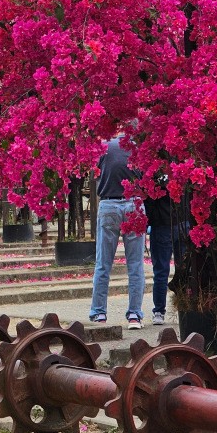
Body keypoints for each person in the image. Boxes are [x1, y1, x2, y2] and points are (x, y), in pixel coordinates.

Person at [89, 137, 146, 329]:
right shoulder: (138, 147)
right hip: (134, 204)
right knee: (135, 264)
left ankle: (99, 313)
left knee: (103, 263)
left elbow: (95, 172)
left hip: (109, 203)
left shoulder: (103, 147)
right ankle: (134, 315)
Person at [144, 185, 185, 326]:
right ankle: (185, 306)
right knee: (184, 268)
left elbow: (149, 199)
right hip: (182, 221)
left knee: (161, 271)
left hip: (162, 223)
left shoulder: (156, 173)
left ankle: (159, 311)